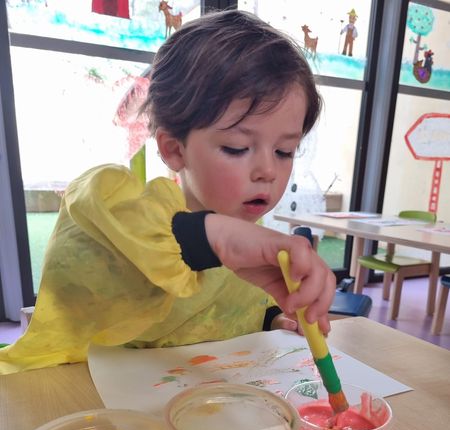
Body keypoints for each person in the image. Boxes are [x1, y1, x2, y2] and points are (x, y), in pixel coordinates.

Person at [0, 9, 336, 375]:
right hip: (109, 402)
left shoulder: (252, 230)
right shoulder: (124, 215)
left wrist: (272, 318)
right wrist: (214, 237)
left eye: (285, 151)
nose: (269, 171)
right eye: (238, 148)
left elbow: (234, 304)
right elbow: (83, 269)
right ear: (175, 149)